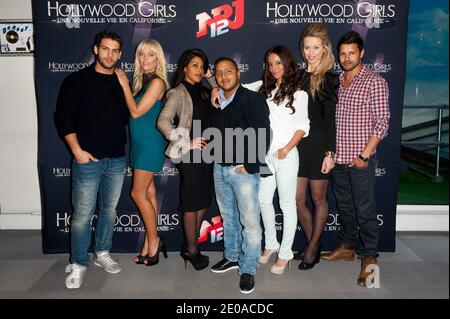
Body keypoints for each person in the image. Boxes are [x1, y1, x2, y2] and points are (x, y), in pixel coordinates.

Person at [211, 47, 309, 274]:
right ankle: (271, 244)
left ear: (287, 63)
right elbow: (233, 86)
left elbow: (303, 127)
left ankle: (285, 253)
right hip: (265, 156)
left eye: (279, 63)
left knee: (286, 205)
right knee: (263, 202)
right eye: (270, 63)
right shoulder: (261, 89)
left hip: (285, 155)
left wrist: (286, 149)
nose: (274, 68)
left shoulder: (299, 94)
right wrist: (215, 87)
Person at [54, 30, 128, 289]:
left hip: (117, 159)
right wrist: (76, 151)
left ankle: (102, 253)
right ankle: (78, 262)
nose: (110, 55)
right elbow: (63, 118)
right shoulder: (77, 81)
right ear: (96, 49)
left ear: (120, 54)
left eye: (115, 50)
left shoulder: (122, 81)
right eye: (105, 49)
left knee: (109, 211)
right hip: (88, 161)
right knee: (83, 215)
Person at [320, 31, 390, 287]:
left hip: (360, 160)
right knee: (345, 207)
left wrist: (364, 155)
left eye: (352, 52)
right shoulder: (336, 81)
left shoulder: (374, 81)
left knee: (366, 210)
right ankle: (347, 247)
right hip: (338, 159)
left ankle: (369, 258)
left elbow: (382, 123)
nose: (347, 57)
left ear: (361, 53)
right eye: (343, 53)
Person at [209, 57, 271, 294]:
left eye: (229, 71)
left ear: (238, 73)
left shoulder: (252, 99)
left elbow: (264, 133)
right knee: (228, 217)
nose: (224, 76)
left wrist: (252, 165)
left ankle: (248, 268)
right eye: (219, 73)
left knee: (250, 222)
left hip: (242, 170)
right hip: (219, 167)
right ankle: (232, 256)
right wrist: (213, 86)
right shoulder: (217, 99)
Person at [115, 39, 169, 267]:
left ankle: (155, 241)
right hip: (139, 144)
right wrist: (130, 86)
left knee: (138, 194)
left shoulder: (157, 82)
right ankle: (149, 242)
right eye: (141, 55)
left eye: (151, 55)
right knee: (150, 193)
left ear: (158, 59)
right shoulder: (143, 82)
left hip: (150, 145)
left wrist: (124, 85)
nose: (145, 59)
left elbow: (136, 112)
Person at [157, 49, 212, 271]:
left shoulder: (205, 92)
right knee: (191, 201)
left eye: (202, 66)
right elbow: (163, 121)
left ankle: (191, 244)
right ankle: (191, 250)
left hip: (207, 153)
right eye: (194, 65)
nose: (198, 70)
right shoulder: (178, 92)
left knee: (202, 200)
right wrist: (185, 142)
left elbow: (226, 86)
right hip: (189, 155)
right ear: (184, 68)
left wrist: (212, 80)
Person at [294, 23, 339, 270]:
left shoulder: (331, 79)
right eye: (307, 47)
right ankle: (315, 243)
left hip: (320, 144)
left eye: (315, 48)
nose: (310, 52)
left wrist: (330, 153)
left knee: (318, 197)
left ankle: (312, 248)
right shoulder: (298, 76)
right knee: (297, 199)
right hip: (299, 145)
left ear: (324, 49)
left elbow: (331, 120)